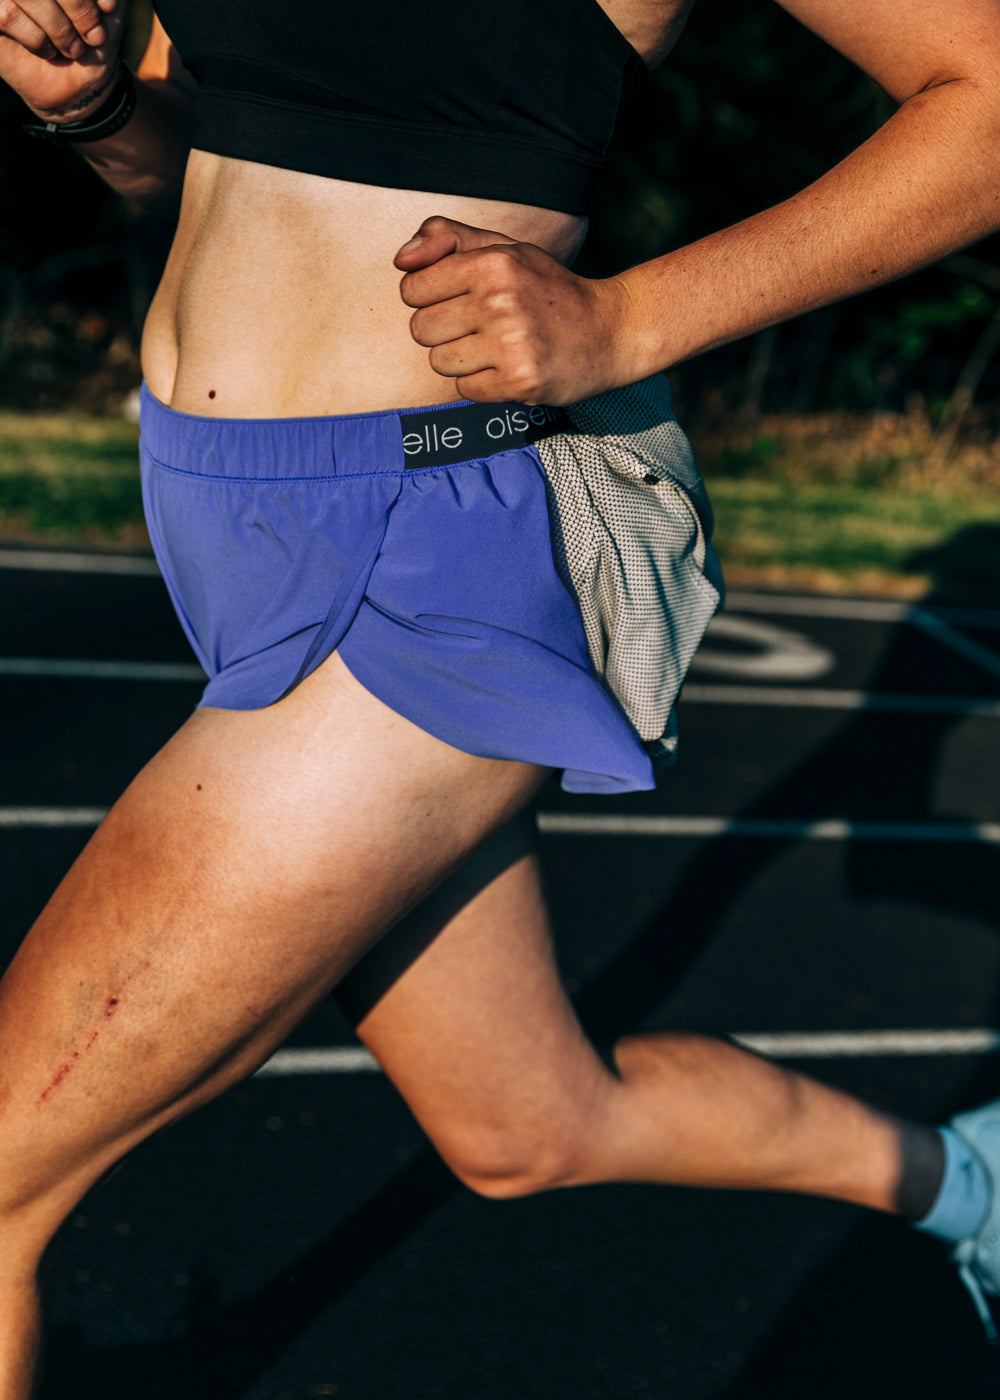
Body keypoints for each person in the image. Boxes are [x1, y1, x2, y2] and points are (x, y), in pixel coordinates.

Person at [2, 0, 1000, 1390]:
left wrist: (631, 319)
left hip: (417, 558)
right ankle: (971, 1183)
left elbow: (987, 97)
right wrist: (98, 105)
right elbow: (219, 160)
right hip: (229, 533)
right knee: (529, 1124)